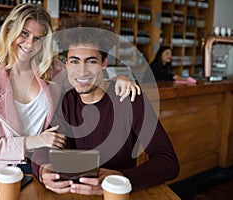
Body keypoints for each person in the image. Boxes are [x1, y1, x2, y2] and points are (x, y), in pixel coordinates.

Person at [0, 4, 140, 193]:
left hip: (48, 166)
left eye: (38, 38)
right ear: (9, 31)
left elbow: (86, 73)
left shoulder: (56, 72)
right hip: (4, 174)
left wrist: (120, 78)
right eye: (24, 33)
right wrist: (35, 141)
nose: (29, 44)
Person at [33, 16, 180, 195]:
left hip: (116, 195)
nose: (82, 71)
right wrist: (43, 171)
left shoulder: (129, 98)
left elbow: (168, 162)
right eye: (74, 61)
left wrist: (120, 178)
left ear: (104, 63)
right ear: (66, 64)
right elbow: (43, 146)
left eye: (91, 61)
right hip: (75, 194)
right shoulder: (66, 101)